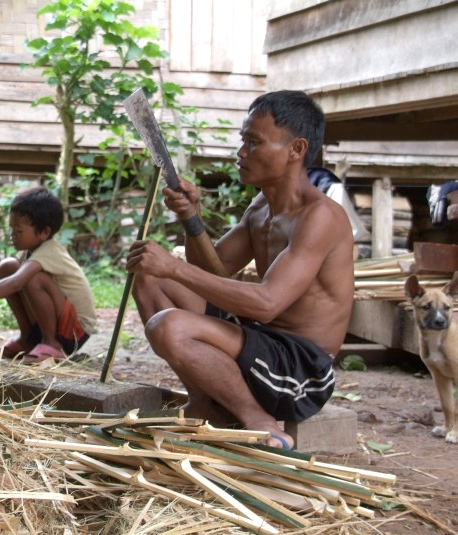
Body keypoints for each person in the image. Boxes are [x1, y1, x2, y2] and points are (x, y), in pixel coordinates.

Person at [125, 90, 355, 450]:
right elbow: (215, 272)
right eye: (242, 140)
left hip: (300, 371)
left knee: (169, 325)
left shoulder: (320, 217)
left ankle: (259, 421)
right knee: (150, 276)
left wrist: (174, 266)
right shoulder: (261, 206)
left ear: (296, 150)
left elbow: (266, 304)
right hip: (261, 342)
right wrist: (191, 217)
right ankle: (206, 401)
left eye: (254, 142)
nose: (241, 152)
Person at [0, 186, 97, 364]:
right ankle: (28, 339)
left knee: (33, 278)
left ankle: (52, 343)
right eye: (11, 228)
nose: (12, 235)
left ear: (44, 232)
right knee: (7, 267)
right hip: (61, 321)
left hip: (75, 331)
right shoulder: (29, 252)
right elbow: (10, 280)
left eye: (18, 230)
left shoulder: (50, 250)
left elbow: (16, 283)